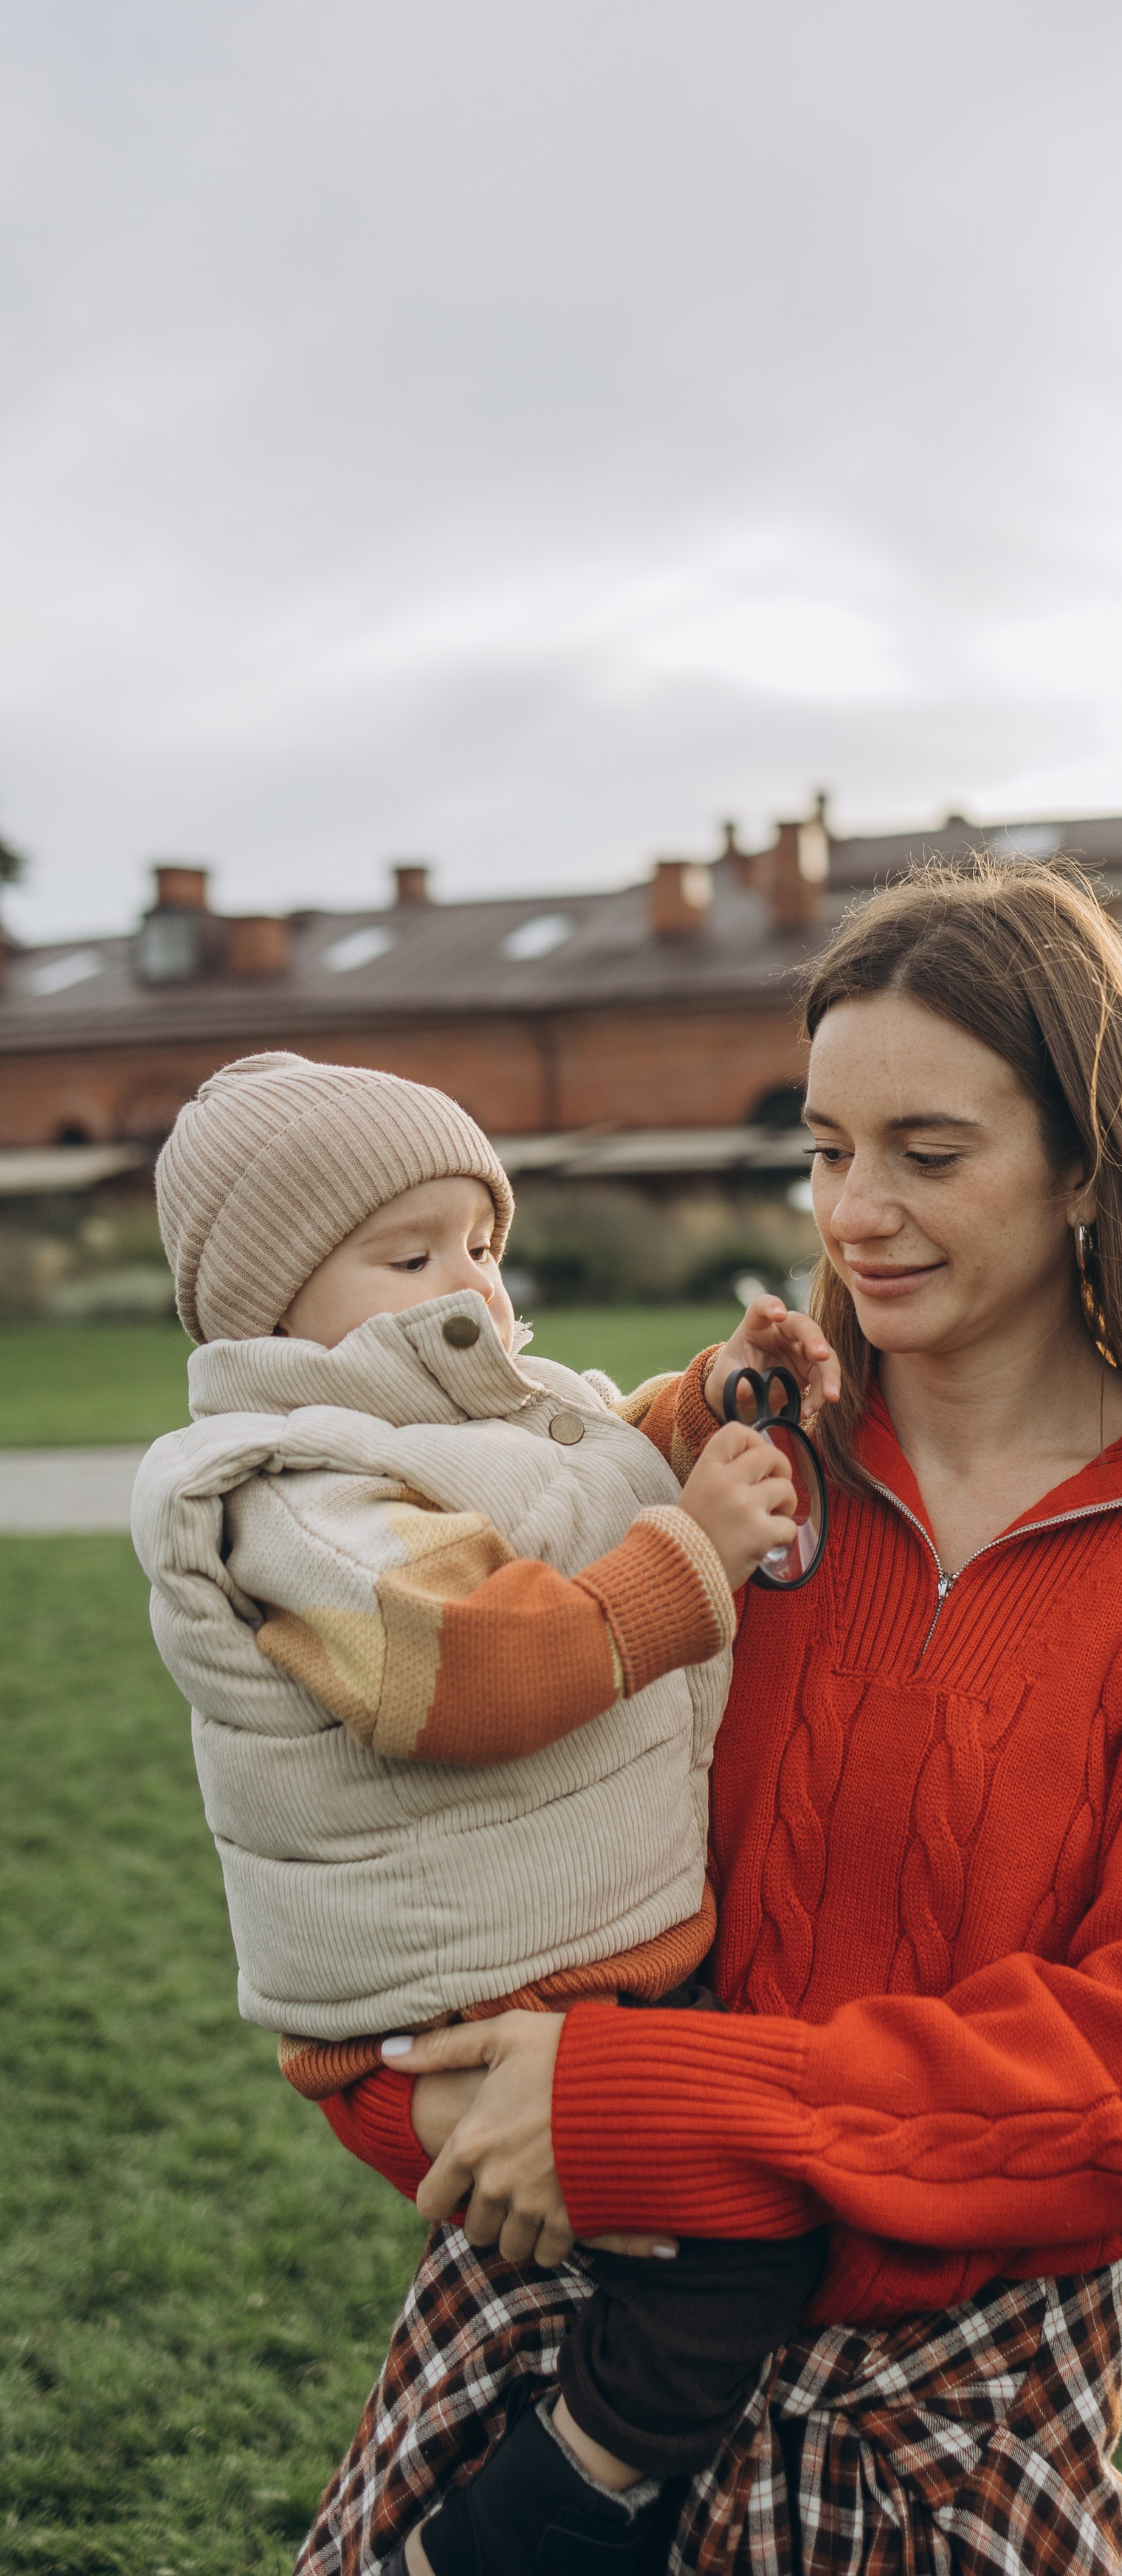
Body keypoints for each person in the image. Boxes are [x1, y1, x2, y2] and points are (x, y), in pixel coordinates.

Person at [303, 860, 1122, 2576]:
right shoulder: (726, 1469)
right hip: (573, 2346)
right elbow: (384, 1845)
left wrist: (641, 2105)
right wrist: (436, 2107)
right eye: (824, 1150)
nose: (854, 1213)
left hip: (950, 2413)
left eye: (927, 1154)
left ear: (1090, 1165)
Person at [134, 1052, 839, 2574]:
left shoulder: (457, 1427)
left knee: (723, 2215)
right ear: (268, 1307)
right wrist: (691, 1556)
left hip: (541, 1985)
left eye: (483, 1242)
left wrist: (705, 1400)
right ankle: (545, 2518)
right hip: (430, 2030)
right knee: (742, 2240)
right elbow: (467, 1671)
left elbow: (583, 1481)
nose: (471, 1280)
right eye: (412, 1254)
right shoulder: (295, 1495)